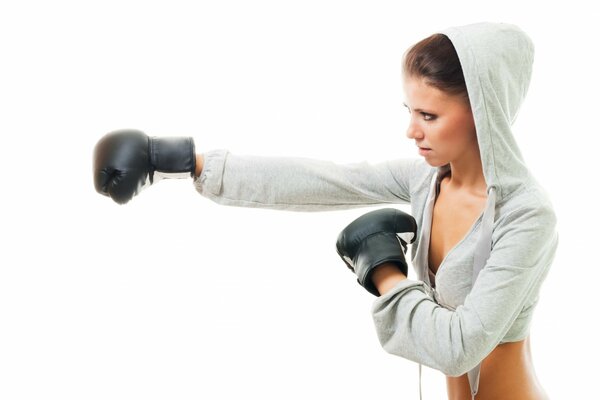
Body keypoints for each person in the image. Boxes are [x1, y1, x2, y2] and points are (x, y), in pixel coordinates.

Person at [93, 22, 557, 400]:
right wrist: (180, 161)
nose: (411, 131)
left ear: (485, 112)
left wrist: (385, 272)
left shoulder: (526, 216)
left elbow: (457, 346)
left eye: (429, 116)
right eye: (409, 111)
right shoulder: (428, 181)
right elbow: (324, 179)